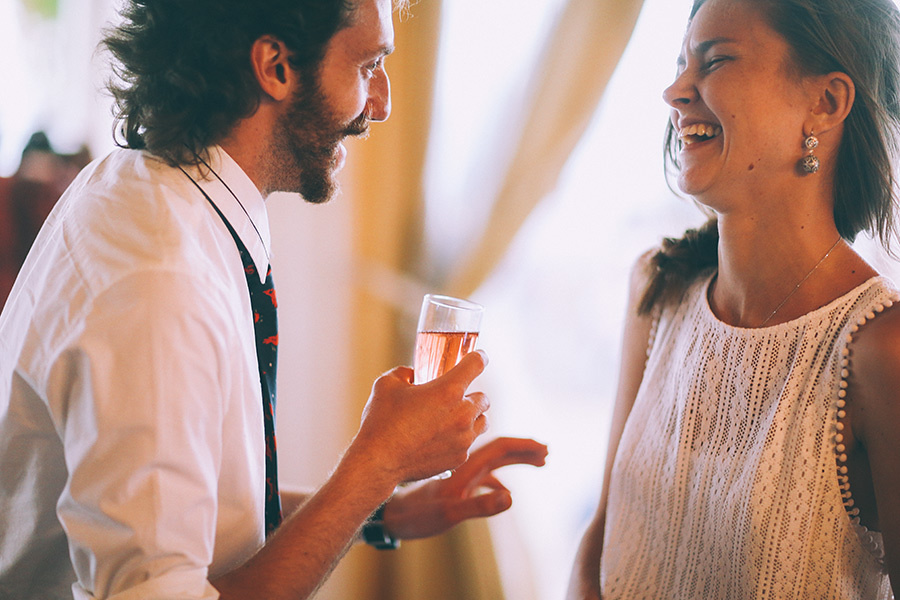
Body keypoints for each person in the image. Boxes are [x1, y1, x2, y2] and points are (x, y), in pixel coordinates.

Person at [0, 1, 548, 598]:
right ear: (276, 66)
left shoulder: (157, 195)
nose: (381, 104)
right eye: (368, 66)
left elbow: (202, 516)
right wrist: (377, 465)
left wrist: (385, 512)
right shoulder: (160, 284)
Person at [567, 0, 900, 598]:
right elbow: (601, 535)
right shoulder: (658, 289)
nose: (674, 90)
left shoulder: (880, 347)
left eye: (714, 62)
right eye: (678, 64)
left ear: (826, 102)